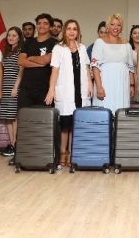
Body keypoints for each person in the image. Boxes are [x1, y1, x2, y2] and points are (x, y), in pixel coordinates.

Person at [46, 20, 92, 167]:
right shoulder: (58, 48)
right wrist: (51, 89)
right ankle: (62, 154)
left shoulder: (82, 48)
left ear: (78, 32)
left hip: (80, 91)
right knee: (65, 126)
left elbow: (87, 68)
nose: (72, 31)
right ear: (64, 31)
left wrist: (90, 84)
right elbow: (55, 70)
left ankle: (73, 154)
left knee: (76, 125)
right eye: (69, 29)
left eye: (75, 29)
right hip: (65, 91)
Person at [92, 14, 135, 113]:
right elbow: (95, 67)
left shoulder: (127, 44)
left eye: (118, 25)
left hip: (122, 85)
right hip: (105, 84)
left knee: (121, 114)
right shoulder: (99, 42)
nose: (115, 27)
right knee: (104, 114)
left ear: (121, 28)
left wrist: (132, 85)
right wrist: (99, 87)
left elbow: (130, 67)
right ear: (108, 26)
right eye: (112, 24)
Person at [18, 14, 58, 108]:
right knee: (24, 115)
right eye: (39, 23)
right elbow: (21, 61)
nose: (41, 25)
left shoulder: (55, 43)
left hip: (45, 89)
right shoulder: (28, 42)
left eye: (45, 23)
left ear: (51, 27)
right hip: (26, 89)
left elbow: (47, 59)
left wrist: (30, 58)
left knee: (43, 116)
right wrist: (40, 64)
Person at [0, 27, 23, 157]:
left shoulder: (21, 51)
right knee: (8, 117)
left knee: (14, 117)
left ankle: (16, 144)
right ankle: (11, 144)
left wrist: (15, 87)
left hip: (15, 87)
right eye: (9, 35)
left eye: (14, 35)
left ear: (19, 37)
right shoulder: (7, 51)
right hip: (5, 86)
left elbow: (21, 71)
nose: (11, 38)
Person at [129, 24, 139, 104]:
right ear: (131, 36)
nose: (137, 35)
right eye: (135, 33)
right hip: (131, 79)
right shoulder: (128, 49)